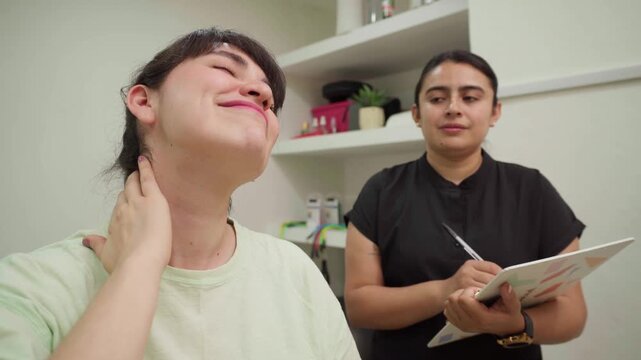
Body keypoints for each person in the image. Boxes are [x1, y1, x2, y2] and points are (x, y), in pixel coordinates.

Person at [0, 27, 359, 359]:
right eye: (225, 68)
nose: (263, 94)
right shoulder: (30, 291)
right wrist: (140, 265)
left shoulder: (296, 272)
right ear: (143, 102)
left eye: (269, 98)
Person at [344, 50, 587, 359]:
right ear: (416, 114)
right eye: (437, 99)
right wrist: (444, 291)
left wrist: (512, 324)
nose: (454, 109)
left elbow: (572, 313)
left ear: (495, 111)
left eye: (470, 98)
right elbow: (359, 307)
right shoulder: (381, 190)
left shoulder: (533, 190)